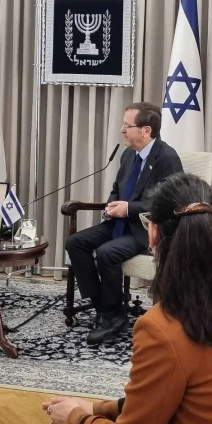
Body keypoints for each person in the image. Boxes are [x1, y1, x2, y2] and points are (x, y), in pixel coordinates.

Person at [43, 174, 212, 424]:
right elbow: (174, 393)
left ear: (152, 233)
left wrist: (75, 418)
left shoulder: (160, 327)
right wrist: (95, 408)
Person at [65, 102, 184, 345]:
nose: (122, 130)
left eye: (127, 126)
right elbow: (116, 190)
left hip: (146, 229)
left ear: (146, 131)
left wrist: (129, 208)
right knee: (75, 243)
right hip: (118, 223)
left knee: (106, 252)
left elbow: (172, 203)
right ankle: (106, 308)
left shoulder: (168, 158)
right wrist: (111, 207)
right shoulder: (128, 154)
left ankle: (111, 314)